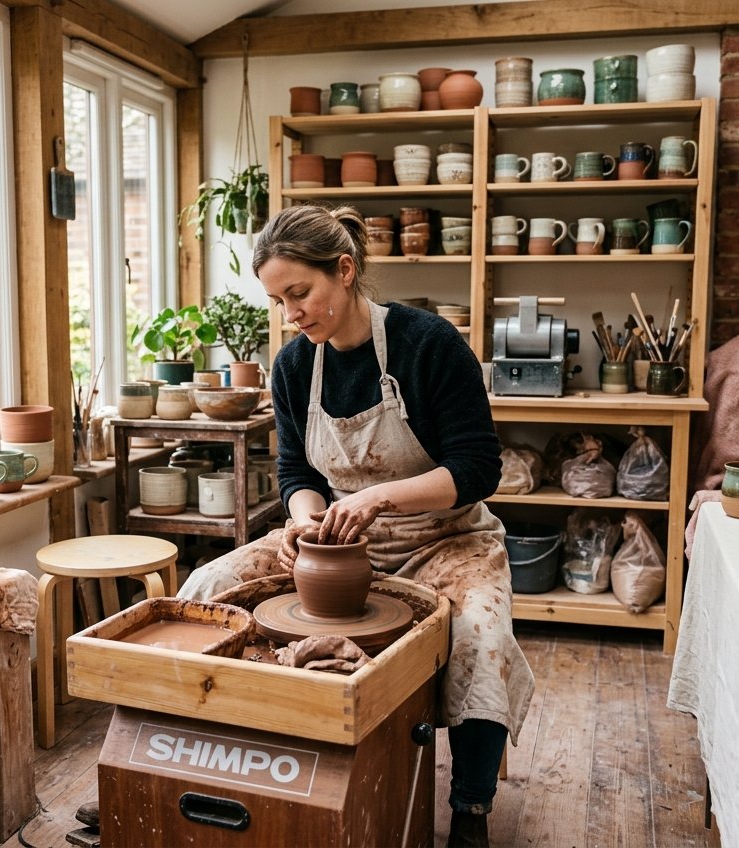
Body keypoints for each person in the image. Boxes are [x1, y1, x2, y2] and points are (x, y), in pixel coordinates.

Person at [178, 204, 533, 848]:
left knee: (481, 635)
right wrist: (304, 521)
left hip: (442, 537)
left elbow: (479, 468)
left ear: (344, 271)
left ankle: (471, 807)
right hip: (337, 540)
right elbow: (294, 471)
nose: (291, 315)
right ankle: (197, 764)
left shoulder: (429, 344)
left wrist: (381, 499)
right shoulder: (293, 367)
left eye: (300, 294)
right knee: (205, 588)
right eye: (279, 300)